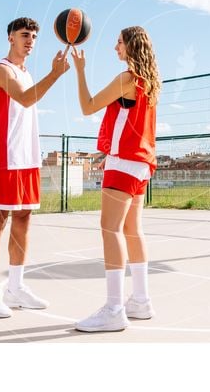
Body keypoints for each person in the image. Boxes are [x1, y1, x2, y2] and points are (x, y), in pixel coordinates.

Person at [0, 17, 70, 318]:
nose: (30, 41)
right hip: (4, 157)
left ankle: (16, 288)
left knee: (24, 218)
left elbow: (29, 96)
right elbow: (26, 99)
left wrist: (50, 74)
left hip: (27, 157)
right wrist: (55, 74)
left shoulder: (26, 73)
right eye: (24, 35)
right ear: (10, 39)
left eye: (33, 37)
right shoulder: (1, 71)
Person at [70, 26, 161, 332]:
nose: (114, 47)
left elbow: (87, 106)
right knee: (133, 230)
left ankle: (113, 308)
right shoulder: (149, 83)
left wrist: (80, 71)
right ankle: (141, 300)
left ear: (131, 46)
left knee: (110, 229)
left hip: (123, 162)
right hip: (142, 164)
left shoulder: (127, 79)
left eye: (119, 42)